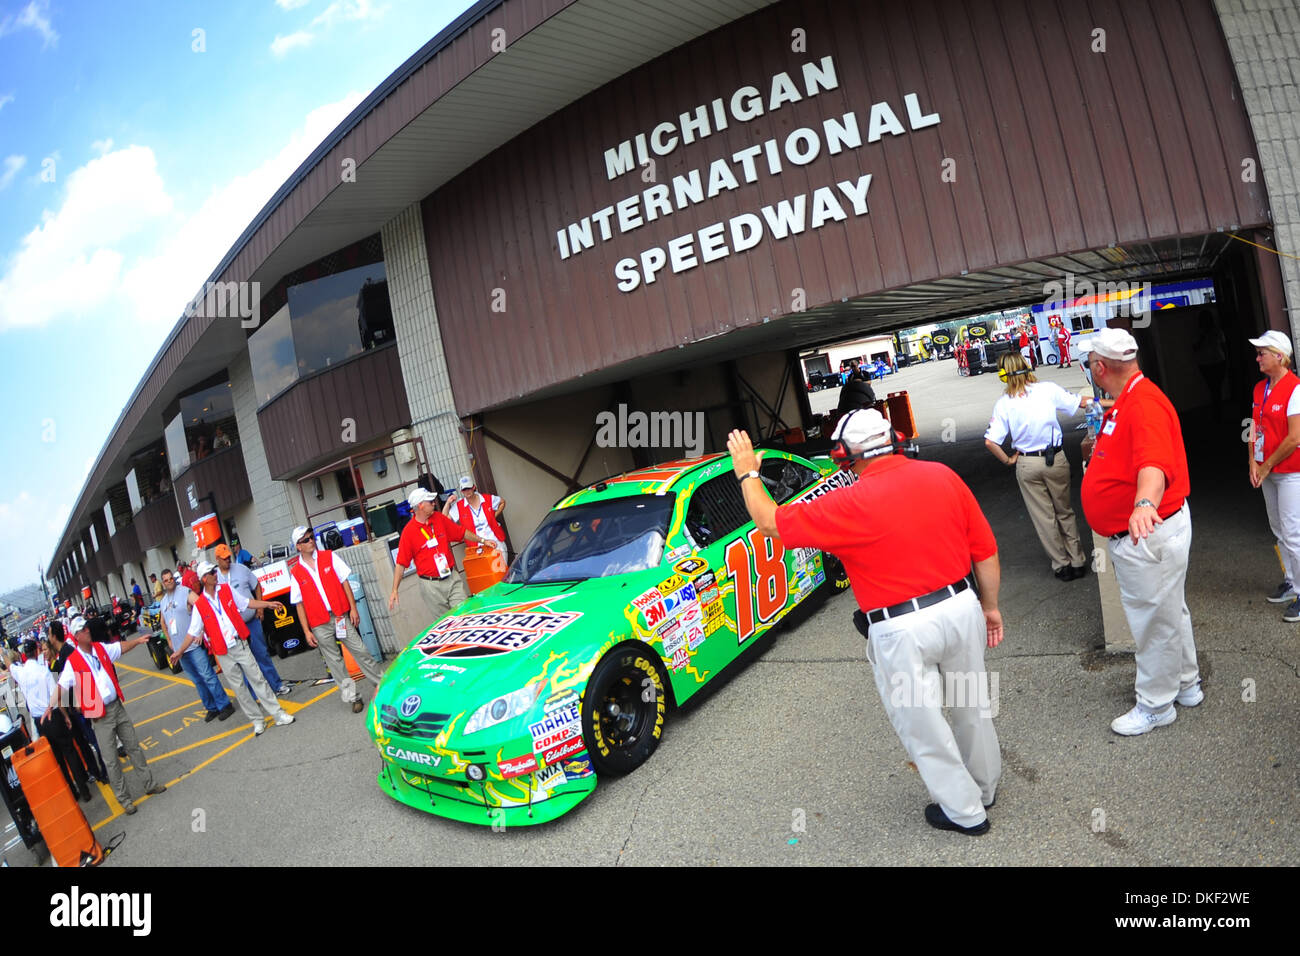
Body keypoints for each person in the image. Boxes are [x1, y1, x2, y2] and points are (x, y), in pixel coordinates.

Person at [726, 412, 1003, 836]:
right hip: (960, 605)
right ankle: (984, 789)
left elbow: (769, 521)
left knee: (924, 723)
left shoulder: (846, 504)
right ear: (894, 439)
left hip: (901, 629)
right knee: (972, 706)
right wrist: (990, 606)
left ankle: (966, 812)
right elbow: (984, 548)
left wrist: (747, 474)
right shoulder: (942, 475)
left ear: (844, 456)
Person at [1079, 328, 1201, 736]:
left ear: (1100, 366)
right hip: (1152, 531)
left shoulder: (1143, 404)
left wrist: (1144, 503)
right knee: (1169, 612)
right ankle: (1186, 683)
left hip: (1148, 532)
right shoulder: (1130, 398)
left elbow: (1154, 465)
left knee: (1153, 621)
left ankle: (1155, 704)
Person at [984, 352, 1093, 580]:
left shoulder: (1004, 404)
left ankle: (1061, 565)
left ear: (1003, 375)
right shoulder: (1048, 390)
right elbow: (1081, 403)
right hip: (1055, 459)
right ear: (1028, 366)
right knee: (1064, 511)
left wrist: (1008, 460)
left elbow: (990, 441)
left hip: (1027, 463)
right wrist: (1114, 401)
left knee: (1044, 517)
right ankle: (1078, 560)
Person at [56, 616, 165, 815]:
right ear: (76, 636)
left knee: (133, 746)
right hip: (100, 716)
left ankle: (149, 784)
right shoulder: (73, 661)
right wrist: (58, 708)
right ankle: (124, 800)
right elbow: (61, 687)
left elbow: (119, 647)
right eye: (83, 629)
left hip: (116, 706)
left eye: (87, 627)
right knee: (111, 760)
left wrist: (137, 641)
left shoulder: (99, 648)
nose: (88, 630)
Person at [186, 562, 295, 736]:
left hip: (239, 644)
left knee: (258, 679)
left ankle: (278, 714)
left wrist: (266, 605)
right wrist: (178, 652)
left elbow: (246, 603)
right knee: (240, 689)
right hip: (223, 652)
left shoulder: (226, 590)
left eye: (215, 570)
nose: (216, 574)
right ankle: (257, 720)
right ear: (205, 578)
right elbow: (192, 632)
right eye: (212, 572)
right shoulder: (200, 605)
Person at [289, 527, 386, 714]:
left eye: (311, 537)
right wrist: (307, 631)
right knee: (335, 662)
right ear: (298, 546)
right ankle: (352, 697)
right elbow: (298, 604)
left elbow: (345, 581)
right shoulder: (296, 572)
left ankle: (381, 684)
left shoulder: (329, 556)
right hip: (319, 623)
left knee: (361, 650)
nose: (311, 541)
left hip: (340, 615)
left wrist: (354, 609)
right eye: (306, 539)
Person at [1246, 330, 1300, 621]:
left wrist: (1265, 466)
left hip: (1292, 471)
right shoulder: (1259, 388)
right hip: (1267, 470)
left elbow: (1294, 438)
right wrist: (1252, 462)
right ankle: (1292, 582)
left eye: (1261, 353)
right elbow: (1251, 427)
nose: (1257, 358)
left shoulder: (1295, 389)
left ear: (1279, 356)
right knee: (1279, 530)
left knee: (1294, 533)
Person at [391, 488, 497, 623]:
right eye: (430, 501)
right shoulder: (408, 532)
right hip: (431, 586)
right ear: (421, 506)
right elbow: (401, 563)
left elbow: (461, 532)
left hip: (451, 577)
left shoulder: (439, 518)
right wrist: (395, 589)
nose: (434, 503)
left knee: (465, 615)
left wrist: (482, 540)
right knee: (447, 624)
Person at [12, 640, 91, 802]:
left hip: (39, 721)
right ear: (36, 652)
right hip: (53, 716)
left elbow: (9, 664)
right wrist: (66, 716)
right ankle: (84, 791)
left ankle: (72, 793)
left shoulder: (20, 673)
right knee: (69, 752)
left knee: (57, 758)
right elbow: (56, 697)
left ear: (24, 655)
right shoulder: (43, 671)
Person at [215, 543, 290, 697]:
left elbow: (257, 586)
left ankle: (276, 685)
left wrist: (260, 608)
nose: (228, 560)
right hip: (233, 629)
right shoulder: (213, 577)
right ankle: (256, 695)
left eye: (229, 557)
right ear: (217, 559)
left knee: (261, 654)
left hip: (251, 621)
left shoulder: (241, 569)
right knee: (244, 662)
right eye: (224, 559)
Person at [159, 569, 231, 722]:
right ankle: (211, 707)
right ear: (163, 583)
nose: (169, 581)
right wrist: (169, 641)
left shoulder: (185, 592)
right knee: (197, 681)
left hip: (193, 646)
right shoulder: (163, 602)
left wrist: (201, 632)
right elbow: (163, 623)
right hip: (179, 651)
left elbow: (202, 606)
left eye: (171, 578)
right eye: (166, 580)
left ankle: (224, 705)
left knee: (207, 676)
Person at [444, 476, 507, 550]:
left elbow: (502, 502)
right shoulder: (459, 506)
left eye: (469, 488)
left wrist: (493, 516)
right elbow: (444, 520)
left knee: (501, 561)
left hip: (496, 542)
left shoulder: (486, 498)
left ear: (474, 487)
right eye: (464, 489)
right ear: (461, 491)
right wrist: (448, 503)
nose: (467, 491)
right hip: (477, 547)